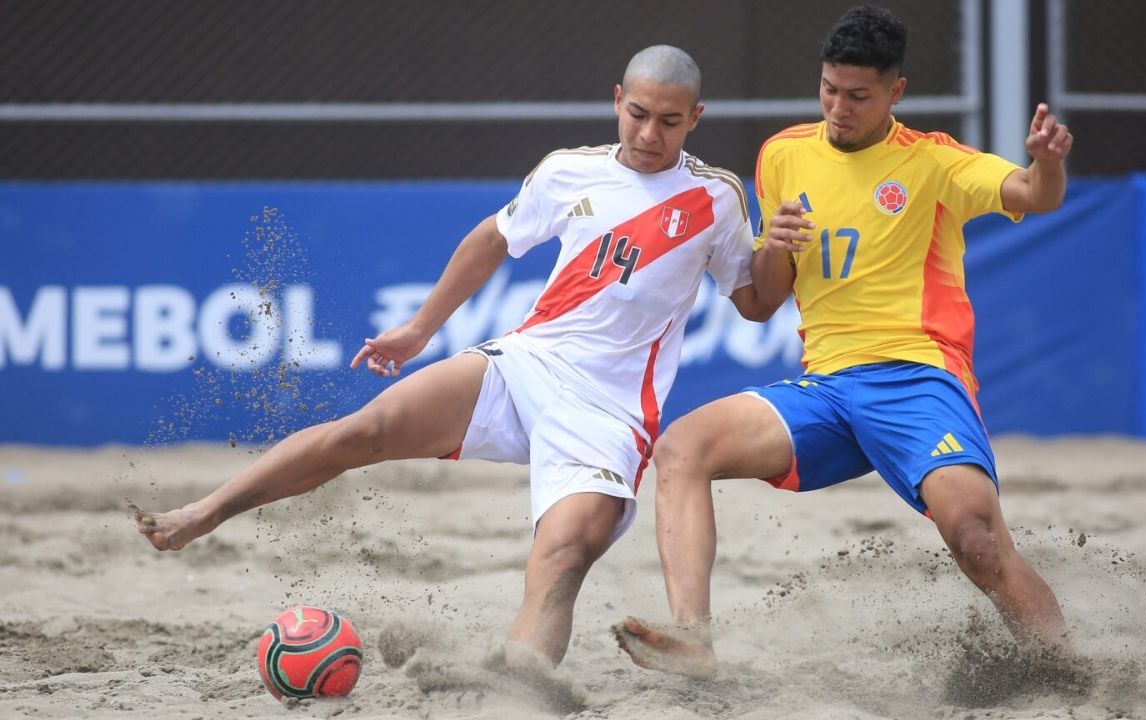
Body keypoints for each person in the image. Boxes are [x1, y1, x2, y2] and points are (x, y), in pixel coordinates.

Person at [136, 44, 779, 672]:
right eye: (637, 114)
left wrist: (779, 249)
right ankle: (204, 512)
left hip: (611, 412)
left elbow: (754, 303)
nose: (648, 134)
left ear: (695, 119)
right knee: (363, 431)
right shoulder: (566, 171)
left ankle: (520, 684)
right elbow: (490, 239)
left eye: (669, 121)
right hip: (529, 363)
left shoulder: (718, 196)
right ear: (617, 100)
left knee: (561, 559)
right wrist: (421, 329)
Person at [615, 5, 1075, 680]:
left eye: (858, 95)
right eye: (829, 89)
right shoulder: (784, 154)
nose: (838, 108)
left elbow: (1036, 194)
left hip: (916, 377)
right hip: (827, 388)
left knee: (977, 541)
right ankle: (694, 638)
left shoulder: (932, 161)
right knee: (681, 448)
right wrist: (775, 245)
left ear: (896, 91)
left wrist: (1047, 163)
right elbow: (765, 300)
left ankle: (1067, 673)